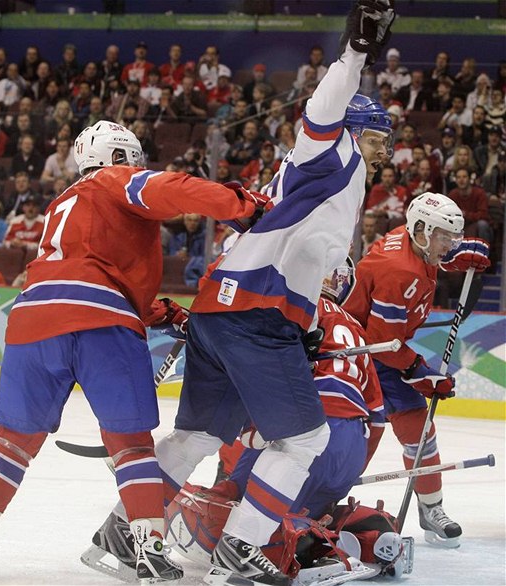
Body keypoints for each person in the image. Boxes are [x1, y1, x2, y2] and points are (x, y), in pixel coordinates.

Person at [85, 3, 397, 585]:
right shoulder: (330, 152)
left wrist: (305, 327)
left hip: (224, 310)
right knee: (306, 439)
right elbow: (322, 110)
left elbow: (301, 251)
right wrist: (354, 54)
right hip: (257, 313)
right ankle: (242, 544)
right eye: (378, 137)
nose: (385, 150)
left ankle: (122, 532)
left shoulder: (324, 176)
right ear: (357, 132)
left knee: (197, 436)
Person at [0, 120, 267, 581]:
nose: (139, 165)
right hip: (102, 322)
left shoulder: (63, 202)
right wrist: (245, 205)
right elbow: (176, 188)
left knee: (13, 440)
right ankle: (148, 548)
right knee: (132, 446)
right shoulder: (115, 179)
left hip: (31, 320)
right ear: (117, 157)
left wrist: (164, 314)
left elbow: (87, 272)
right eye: (133, 157)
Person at [343, 192, 490, 548]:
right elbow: (385, 341)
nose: (449, 245)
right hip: (359, 354)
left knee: (421, 432)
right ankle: (319, 499)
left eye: (452, 238)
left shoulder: (414, 241)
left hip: (380, 347)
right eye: (445, 238)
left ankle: (431, 509)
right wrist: (424, 375)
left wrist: (453, 254)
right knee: (354, 436)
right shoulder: (399, 272)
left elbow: (429, 257)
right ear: (421, 229)